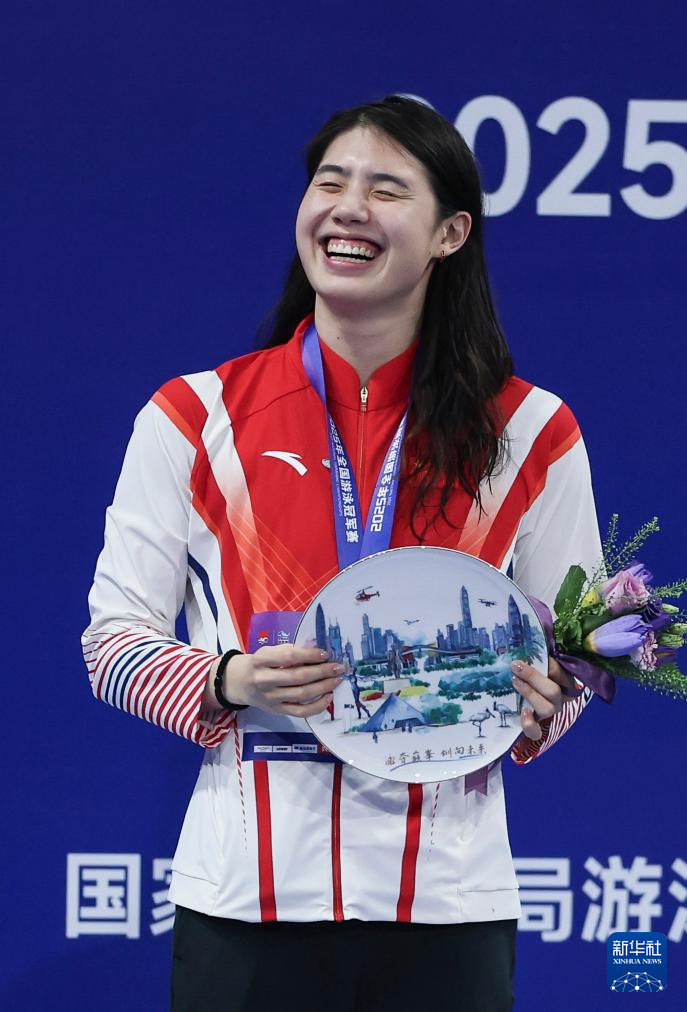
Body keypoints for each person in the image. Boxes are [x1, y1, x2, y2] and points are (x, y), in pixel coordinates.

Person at [82, 96, 601, 1011]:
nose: (348, 208)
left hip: (447, 903)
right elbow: (111, 644)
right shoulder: (194, 419)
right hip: (244, 901)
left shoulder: (529, 431)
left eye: (386, 189)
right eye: (331, 182)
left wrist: (539, 706)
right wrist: (230, 679)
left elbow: (583, 650)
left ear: (448, 233)